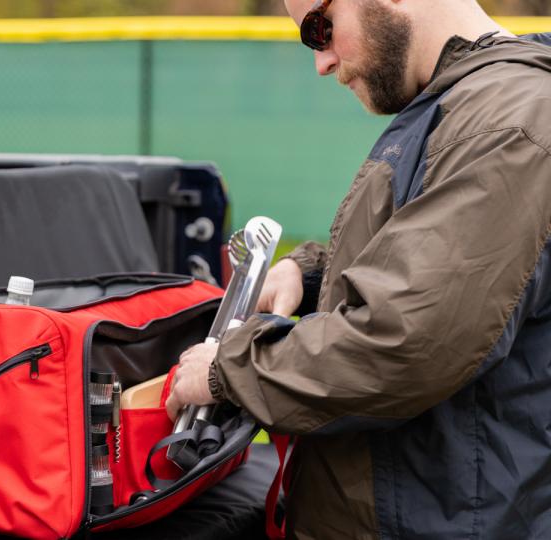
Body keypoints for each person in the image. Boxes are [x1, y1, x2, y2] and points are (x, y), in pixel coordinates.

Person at [163, 0, 551, 538]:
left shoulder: (506, 120)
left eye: (319, 29)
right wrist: (312, 276)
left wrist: (227, 370)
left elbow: (406, 340)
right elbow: (420, 265)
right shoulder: (459, 102)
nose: (321, 63)